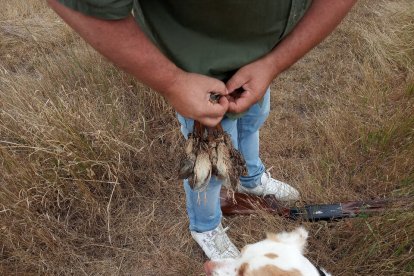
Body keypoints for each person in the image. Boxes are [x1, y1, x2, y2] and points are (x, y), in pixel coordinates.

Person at [48, 0, 357, 260]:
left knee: (253, 121)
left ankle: (251, 179)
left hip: (258, 63)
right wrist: (172, 82)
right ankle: (206, 227)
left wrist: (272, 64)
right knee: (208, 167)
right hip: (201, 80)